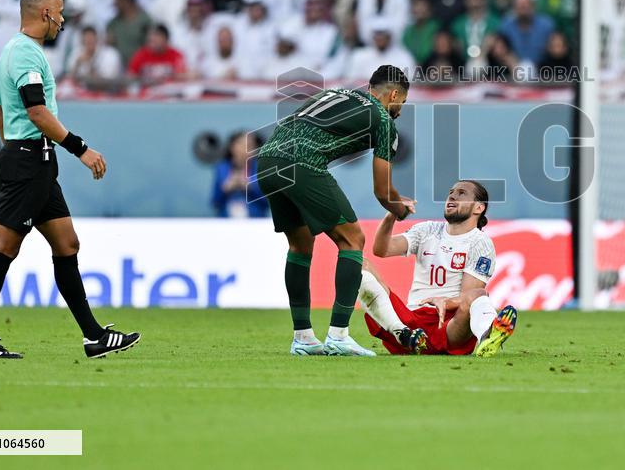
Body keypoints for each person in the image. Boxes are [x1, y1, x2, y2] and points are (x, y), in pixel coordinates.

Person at [0, 0, 139, 359]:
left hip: (33, 159)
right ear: (45, 14)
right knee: (4, 247)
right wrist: (80, 149)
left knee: (67, 243)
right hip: (31, 160)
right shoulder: (26, 54)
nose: (62, 20)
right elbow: (37, 112)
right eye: (59, 12)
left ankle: (94, 337)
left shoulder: (12, 50)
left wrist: (15, 147)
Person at [256, 65, 416, 356]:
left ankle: (303, 338)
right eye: (401, 103)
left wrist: (396, 199)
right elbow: (381, 191)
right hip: (302, 163)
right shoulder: (382, 119)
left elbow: (388, 192)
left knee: (300, 246)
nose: (400, 111)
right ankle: (339, 335)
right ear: (393, 94)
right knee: (353, 240)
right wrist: (398, 210)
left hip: (267, 160)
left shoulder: (337, 94)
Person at [359, 180, 518, 358]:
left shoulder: (480, 242)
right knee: (359, 264)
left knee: (478, 295)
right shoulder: (427, 230)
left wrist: (445, 301)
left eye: (462, 193)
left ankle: (487, 337)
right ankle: (401, 333)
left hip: (448, 326)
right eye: (451, 192)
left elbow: (468, 296)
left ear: (478, 208)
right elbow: (382, 249)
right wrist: (392, 215)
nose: (452, 195)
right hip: (410, 321)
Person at [211, 131, 269, 219]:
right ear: (232, 147)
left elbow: (269, 202)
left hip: (255, 222)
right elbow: (215, 202)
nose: (248, 149)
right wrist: (226, 188)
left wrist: (250, 187)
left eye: (251, 146)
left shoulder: (261, 168)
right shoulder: (221, 168)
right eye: (243, 145)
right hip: (226, 223)